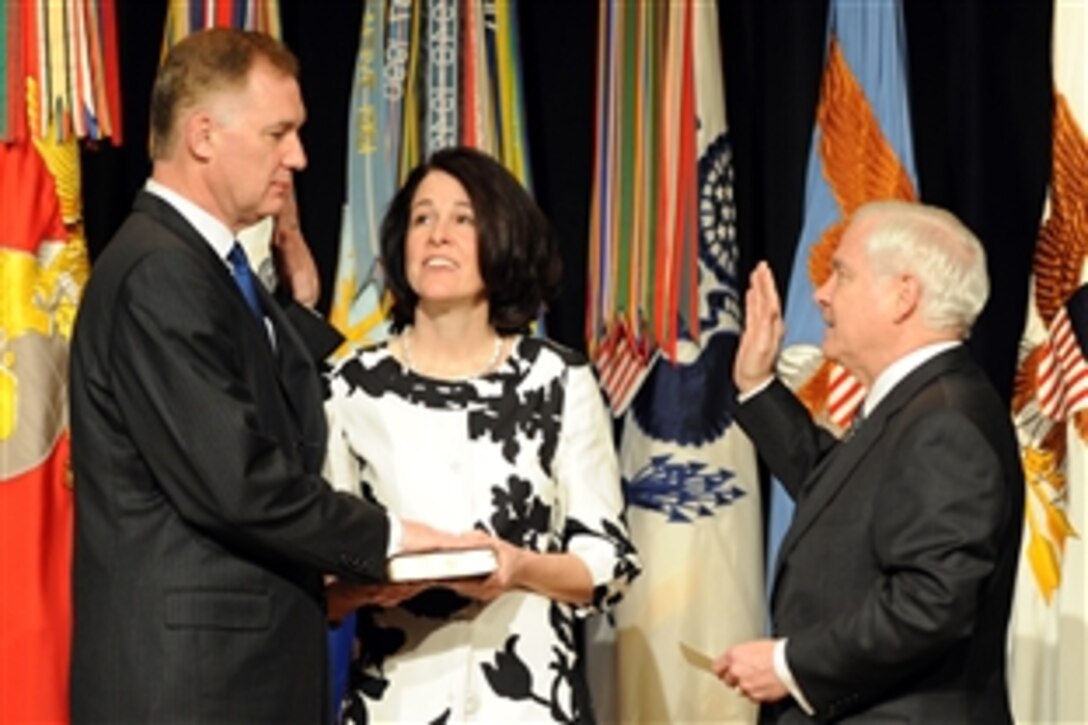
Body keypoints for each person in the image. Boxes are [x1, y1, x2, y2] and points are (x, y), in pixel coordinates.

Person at [69, 28, 467, 723]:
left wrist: (297, 307)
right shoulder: (161, 271)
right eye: (278, 133)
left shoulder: (201, 268)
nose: (299, 157)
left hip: (233, 678)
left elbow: (268, 404)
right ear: (202, 136)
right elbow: (238, 480)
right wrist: (387, 539)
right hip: (194, 688)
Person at [322, 146, 642, 724]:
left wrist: (517, 567)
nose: (438, 234)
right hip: (398, 703)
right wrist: (371, 584)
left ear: (503, 238)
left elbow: (606, 563)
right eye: (422, 218)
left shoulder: (558, 380)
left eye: (462, 218)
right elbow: (324, 581)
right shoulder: (349, 387)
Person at [714, 201, 1024, 723]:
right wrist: (758, 386)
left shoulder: (944, 422)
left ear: (904, 295)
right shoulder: (922, 403)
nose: (821, 294)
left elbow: (932, 602)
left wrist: (789, 663)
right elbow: (836, 488)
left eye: (841, 273)